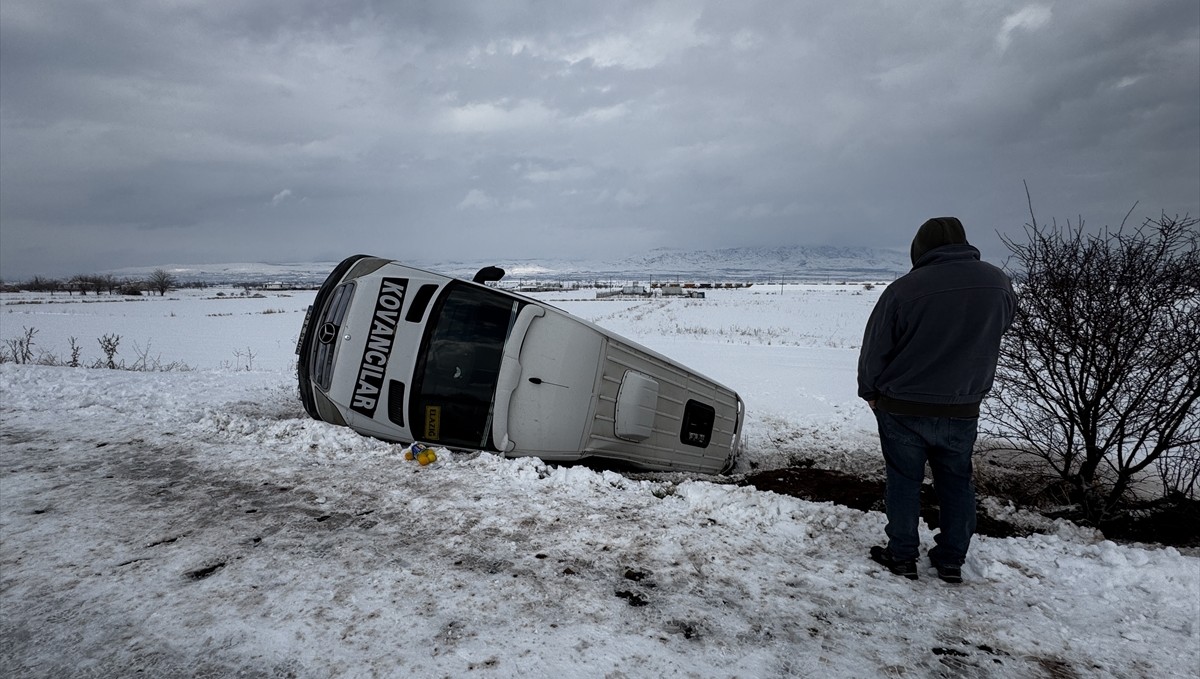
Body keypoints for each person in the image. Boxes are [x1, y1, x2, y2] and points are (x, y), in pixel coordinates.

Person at [857, 217, 1016, 583]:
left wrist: (870, 391)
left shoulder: (904, 290)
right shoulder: (999, 284)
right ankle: (951, 560)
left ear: (920, 247)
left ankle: (901, 556)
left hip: (902, 406)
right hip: (962, 405)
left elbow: (875, 348)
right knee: (957, 481)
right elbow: (999, 328)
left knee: (903, 481)